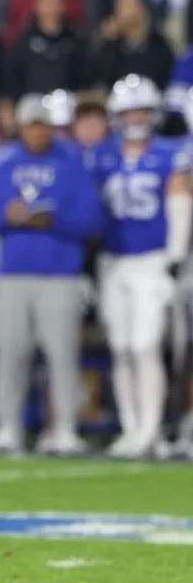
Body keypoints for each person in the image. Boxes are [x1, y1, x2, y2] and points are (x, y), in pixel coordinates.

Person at [0, 94, 103, 455]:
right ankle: (8, 427)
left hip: (60, 273)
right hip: (13, 273)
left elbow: (93, 220)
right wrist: (8, 215)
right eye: (30, 125)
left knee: (62, 355)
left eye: (41, 124)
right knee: (10, 354)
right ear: (20, 126)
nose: (36, 132)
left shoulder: (72, 162)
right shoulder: (4, 162)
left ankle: (64, 427)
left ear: (50, 126)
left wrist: (54, 220)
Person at [95, 75, 190, 458]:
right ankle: (131, 428)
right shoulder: (104, 155)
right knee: (120, 348)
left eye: (141, 110)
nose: (134, 118)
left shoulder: (170, 154)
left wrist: (174, 257)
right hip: (113, 260)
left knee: (145, 346)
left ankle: (151, 429)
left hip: (152, 260)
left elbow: (181, 207)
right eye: (128, 111)